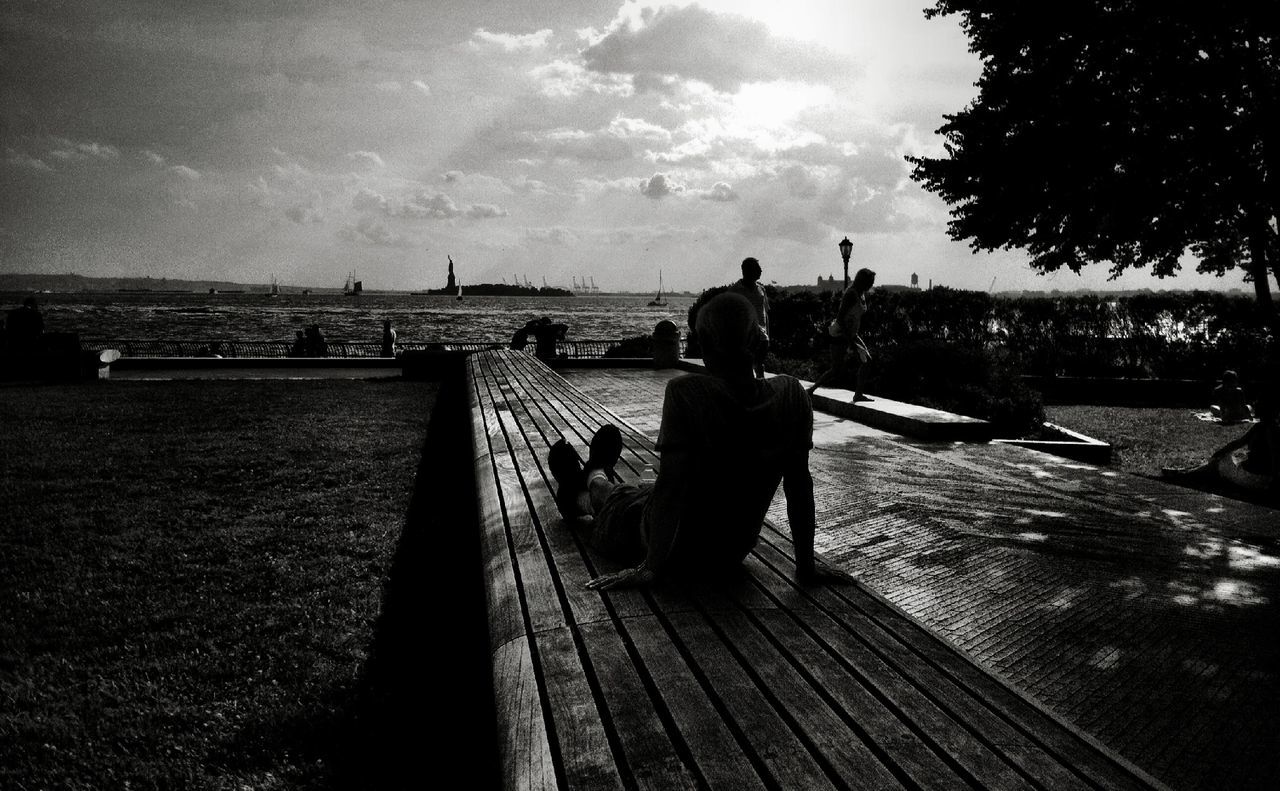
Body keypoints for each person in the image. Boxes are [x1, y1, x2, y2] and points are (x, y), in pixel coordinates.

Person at [547, 292, 847, 589]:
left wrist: (650, 568)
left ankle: (586, 485)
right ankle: (592, 475)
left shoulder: (687, 394)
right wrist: (806, 566)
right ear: (758, 342)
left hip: (669, 548)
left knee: (617, 499)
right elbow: (799, 485)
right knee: (641, 492)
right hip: (729, 552)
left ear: (704, 348)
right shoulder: (792, 396)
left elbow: (671, 490)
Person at [807, 268, 876, 401]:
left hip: (851, 333)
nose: (872, 284)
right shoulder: (851, 294)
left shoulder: (861, 294)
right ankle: (811, 390)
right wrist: (850, 340)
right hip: (840, 333)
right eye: (871, 281)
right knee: (836, 369)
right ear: (864, 281)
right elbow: (840, 319)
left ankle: (858, 394)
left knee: (866, 361)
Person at [729, 257, 770, 378]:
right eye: (757, 268)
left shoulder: (761, 289)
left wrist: (768, 333)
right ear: (747, 271)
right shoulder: (735, 291)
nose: (761, 271)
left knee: (759, 365)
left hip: (761, 336)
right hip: (744, 336)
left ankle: (759, 388)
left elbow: (766, 313)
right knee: (745, 366)